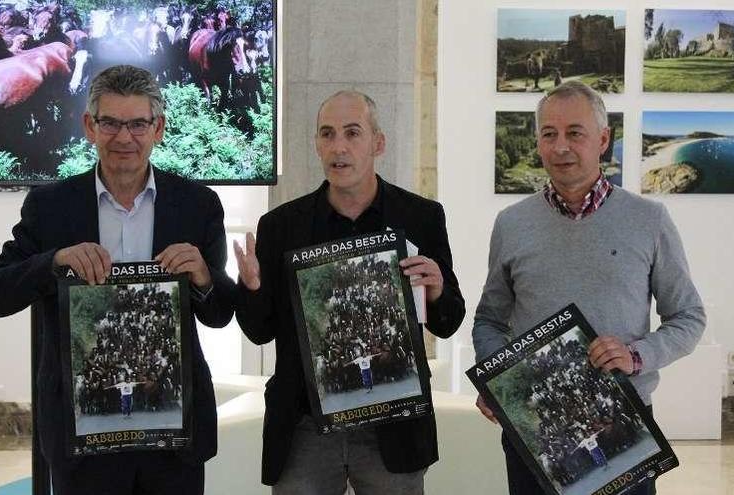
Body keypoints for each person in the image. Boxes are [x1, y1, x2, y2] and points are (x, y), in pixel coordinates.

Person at [0, 64, 234, 495]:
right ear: (89, 127)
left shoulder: (197, 205)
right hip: (82, 434)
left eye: (137, 124)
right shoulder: (50, 207)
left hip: (172, 430)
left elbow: (221, 313)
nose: (124, 137)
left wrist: (205, 277)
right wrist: (54, 261)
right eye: (110, 123)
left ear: (159, 128)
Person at [472, 80, 706, 495]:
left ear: (603, 139)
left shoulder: (649, 220)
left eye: (574, 133)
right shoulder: (511, 224)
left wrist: (638, 355)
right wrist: (495, 377)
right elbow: (489, 320)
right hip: (536, 430)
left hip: (624, 425)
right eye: (549, 134)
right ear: (539, 142)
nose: (561, 146)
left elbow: (688, 317)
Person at [232, 90, 466, 494]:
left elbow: (449, 321)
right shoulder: (280, 226)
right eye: (327, 134)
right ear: (317, 145)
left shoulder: (421, 217)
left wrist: (438, 288)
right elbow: (260, 331)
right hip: (306, 427)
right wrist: (251, 288)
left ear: (378, 143)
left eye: (352, 133)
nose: (338, 147)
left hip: (393, 426)